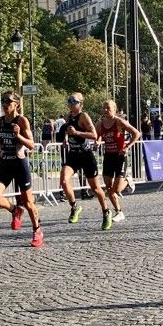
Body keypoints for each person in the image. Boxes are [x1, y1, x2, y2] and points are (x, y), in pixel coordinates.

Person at [0, 91, 43, 246]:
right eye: (3, 101)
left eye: (8, 102)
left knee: (28, 202)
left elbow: (32, 145)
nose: (5, 105)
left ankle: (37, 230)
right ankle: (15, 210)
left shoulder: (21, 121)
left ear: (16, 104)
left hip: (20, 164)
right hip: (6, 164)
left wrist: (18, 136)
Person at [57, 92, 112, 228]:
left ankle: (106, 212)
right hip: (73, 155)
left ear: (80, 104)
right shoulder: (69, 116)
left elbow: (94, 135)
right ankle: (75, 207)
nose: (70, 103)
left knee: (95, 188)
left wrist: (76, 133)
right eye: (69, 100)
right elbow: (66, 130)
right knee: (64, 181)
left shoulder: (83, 116)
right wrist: (65, 139)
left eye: (73, 101)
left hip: (85, 155)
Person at [97, 99, 141, 222]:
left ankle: (127, 180)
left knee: (116, 189)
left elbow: (136, 133)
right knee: (108, 187)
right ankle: (119, 212)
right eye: (104, 107)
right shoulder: (100, 124)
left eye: (108, 108)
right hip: (108, 157)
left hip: (120, 156)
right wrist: (98, 141)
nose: (105, 110)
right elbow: (98, 134)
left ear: (114, 109)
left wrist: (127, 147)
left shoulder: (119, 122)